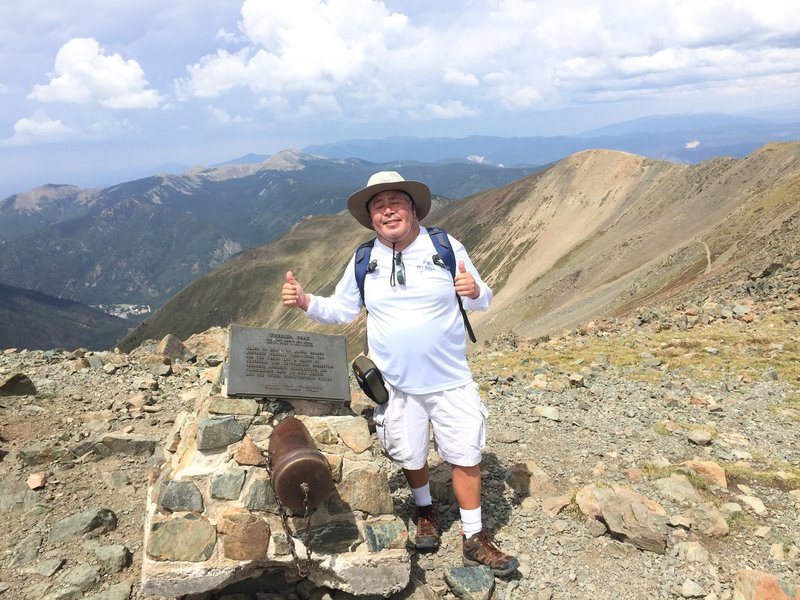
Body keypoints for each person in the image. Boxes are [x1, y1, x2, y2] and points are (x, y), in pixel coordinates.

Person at [281, 171, 519, 576]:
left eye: (395, 202)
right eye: (378, 206)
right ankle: (426, 511)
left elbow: (483, 298)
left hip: (450, 380)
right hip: (395, 385)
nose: (387, 210)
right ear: (371, 217)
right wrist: (306, 301)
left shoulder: (444, 246)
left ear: (413, 208)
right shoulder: (364, 259)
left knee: (464, 455)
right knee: (410, 453)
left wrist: (476, 292)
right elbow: (342, 309)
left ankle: (474, 537)